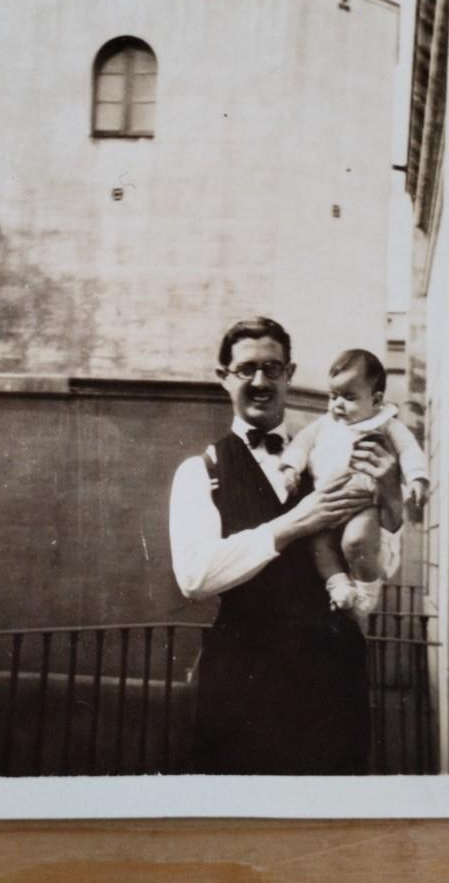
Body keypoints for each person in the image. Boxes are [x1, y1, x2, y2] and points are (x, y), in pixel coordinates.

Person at [169, 317, 402, 775]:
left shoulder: (329, 457)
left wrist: (389, 496)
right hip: (243, 684)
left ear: (289, 374)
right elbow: (195, 577)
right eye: (246, 369)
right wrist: (296, 522)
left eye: (272, 369)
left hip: (330, 680)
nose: (260, 382)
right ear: (224, 379)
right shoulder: (201, 471)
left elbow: (380, 568)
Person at [279, 348, 428, 617]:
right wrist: (290, 468)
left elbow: (409, 450)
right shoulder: (324, 424)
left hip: (363, 503)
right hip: (326, 502)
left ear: (376, 399)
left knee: (355, 542)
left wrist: (417, 478)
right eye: (333, 396)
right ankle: (339, 586)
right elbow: (300, 444)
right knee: (318, 545)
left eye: (349, 398)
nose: (337, 405)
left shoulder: (385, 424)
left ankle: (366, 593)